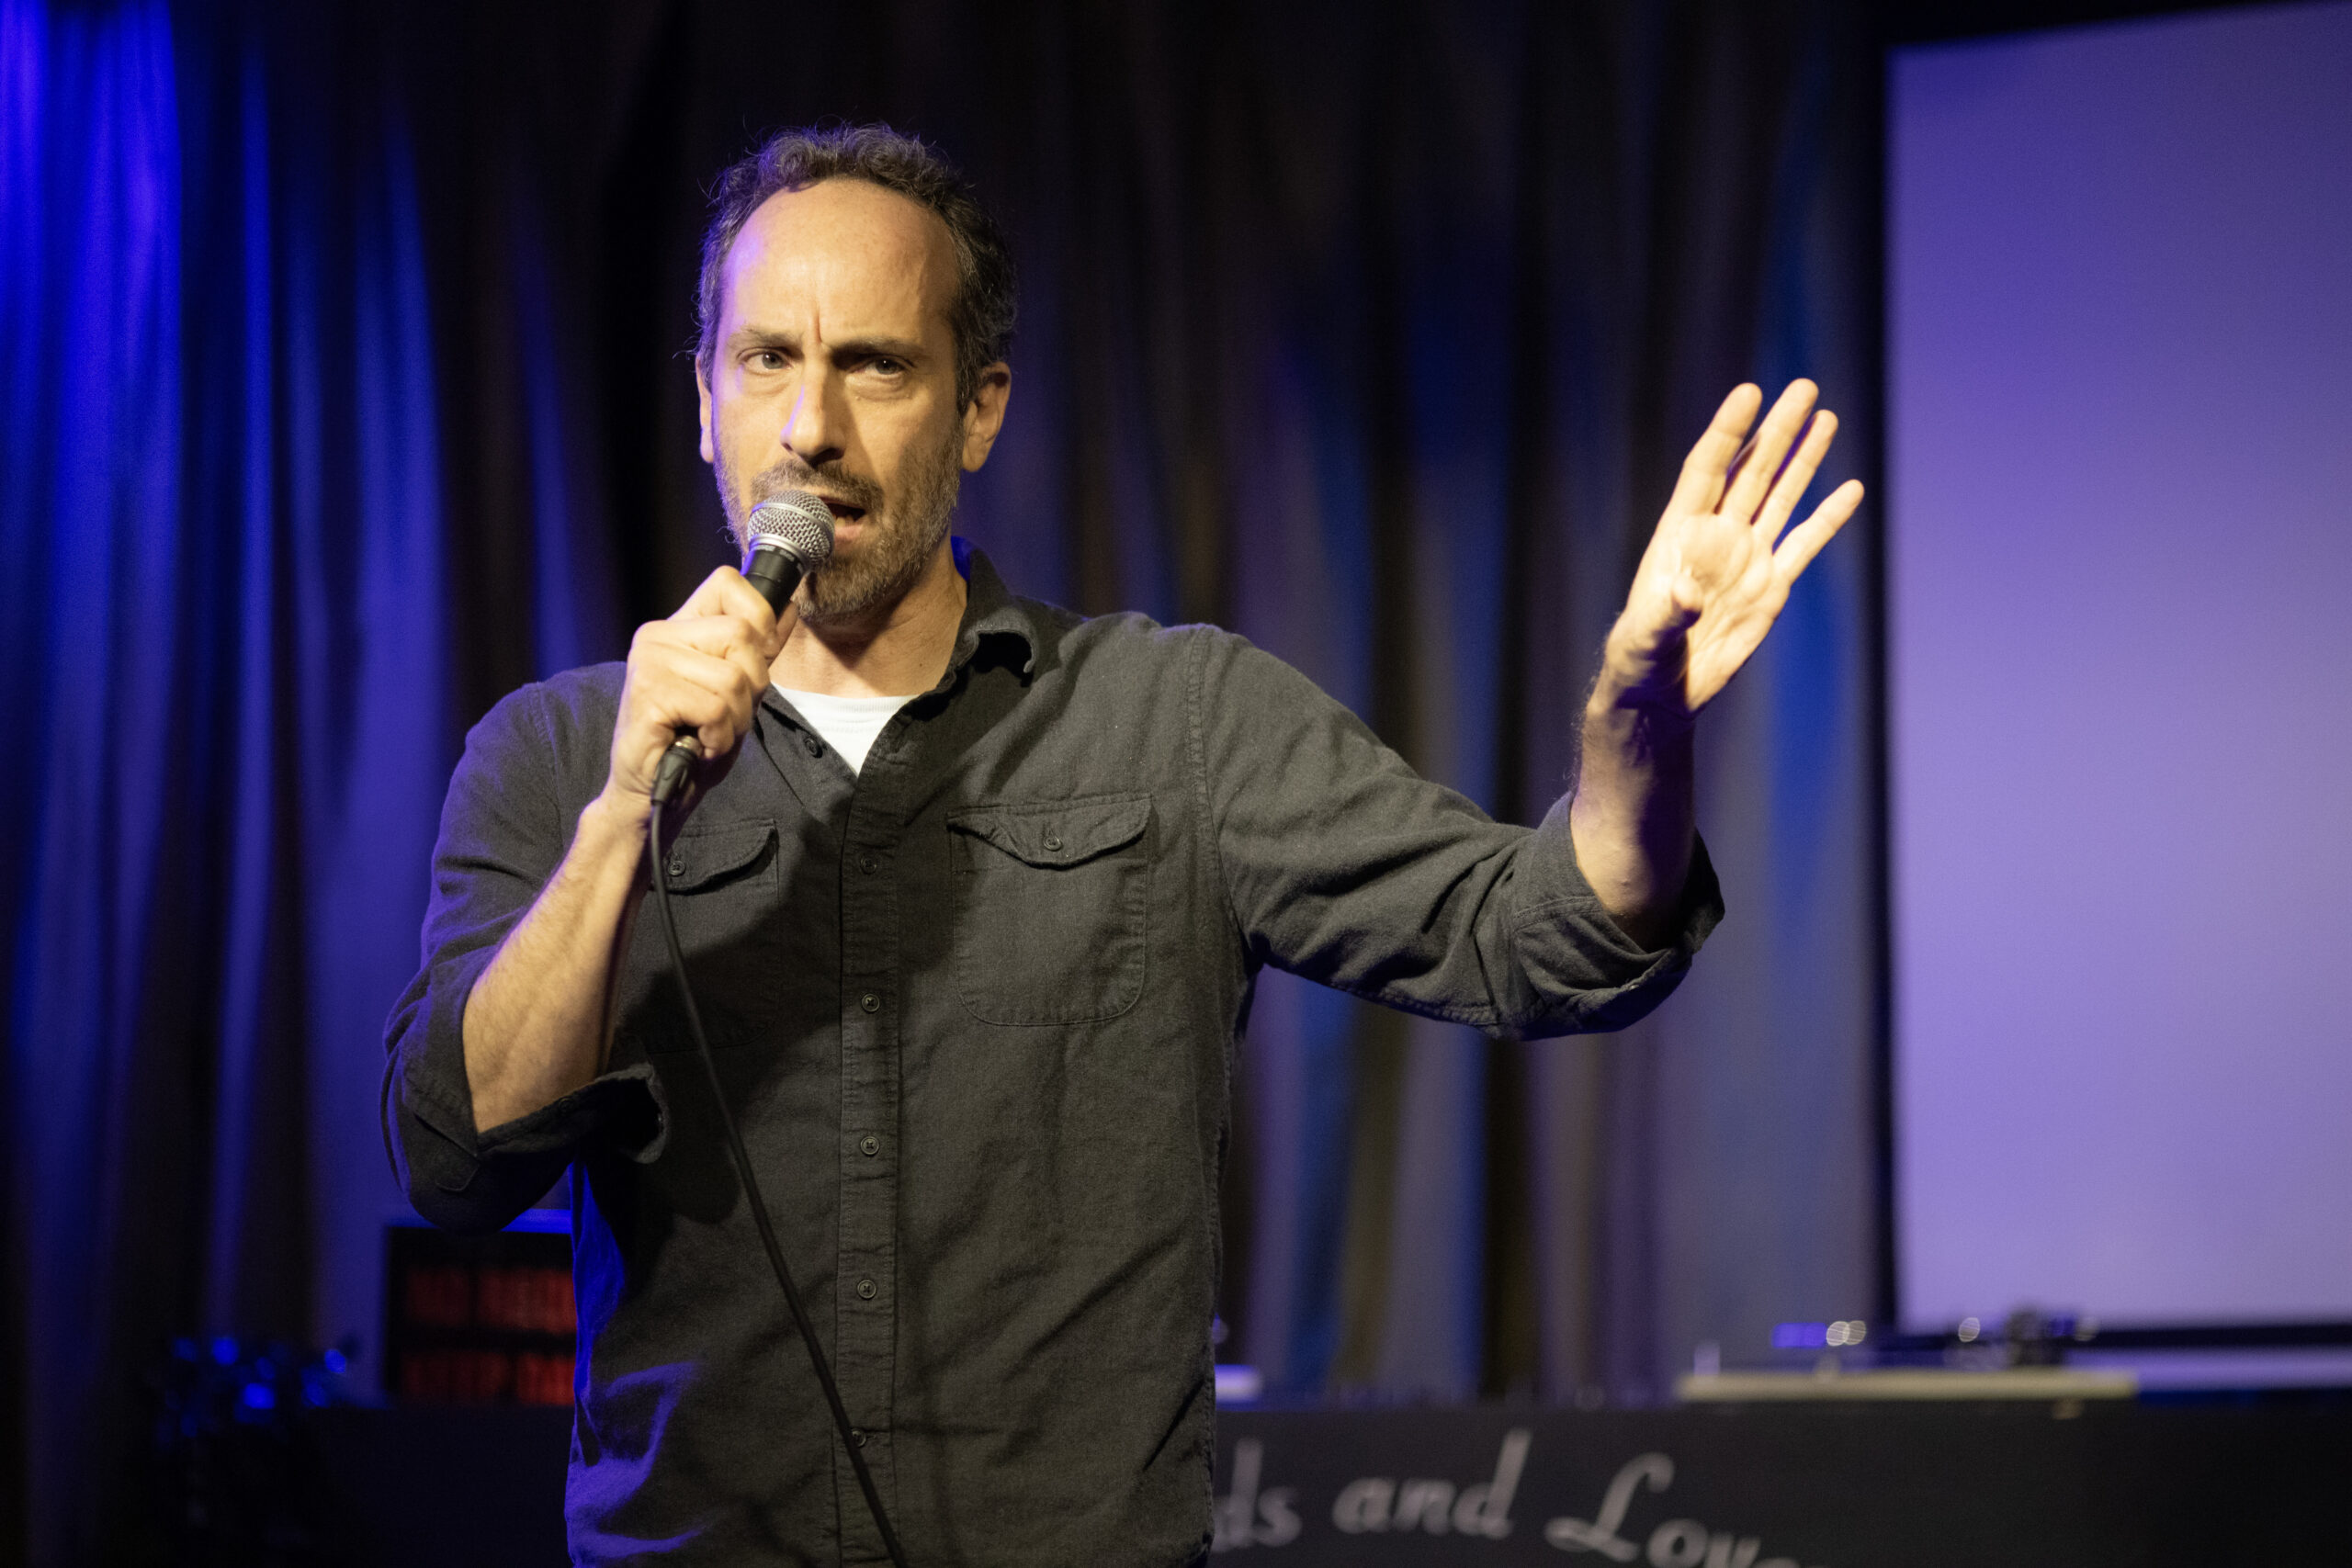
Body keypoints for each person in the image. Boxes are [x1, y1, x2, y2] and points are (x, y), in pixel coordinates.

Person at [383, 124, 1860, 1567]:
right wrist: (620, 826)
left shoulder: (1173, 720)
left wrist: (1630, 735)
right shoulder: (559, 758)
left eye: (876, 365)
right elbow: (456, 1157)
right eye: (766, 358)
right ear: (704, 400)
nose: (810, 427)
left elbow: (1535, 936)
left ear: (979, 410)